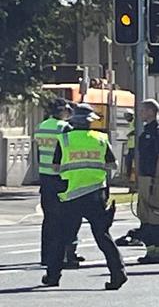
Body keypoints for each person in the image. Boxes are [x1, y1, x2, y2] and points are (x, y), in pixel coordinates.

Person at [43, 104, 127, 290]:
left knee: (62, 238)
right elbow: (113, 165)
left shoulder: (64, 140)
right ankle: (118, 272)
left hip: (71, 195)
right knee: (102, 236)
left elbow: (55, 168)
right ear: (90, 122)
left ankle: (53, 276)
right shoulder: (100, 139)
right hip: (96, 194)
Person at [33, 98, 84, 268]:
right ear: (63, 111)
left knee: (49, 220)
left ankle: (46, 256)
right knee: (64, 219)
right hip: (60, 177)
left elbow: (38, 153)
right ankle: (62, 256)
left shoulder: (41, 127)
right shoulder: (64, 128)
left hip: (45, 177)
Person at [136, 99, 159, 264]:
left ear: (152, 111)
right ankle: (151, 251)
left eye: (143, 110)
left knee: (157, 214)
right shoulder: (144, 133)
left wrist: (156, 180)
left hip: (155, 178)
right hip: (145, 178)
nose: (141, 113)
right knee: (144, 215)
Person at [124, 110, 136, 183]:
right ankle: (129, 178)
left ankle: (132, 179)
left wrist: (130, 134)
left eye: (127, 116)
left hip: (135, 146)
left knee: (131, 163)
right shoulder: (130, 123)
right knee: (128, 162)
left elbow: (137, 130)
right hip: (131, 146)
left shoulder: (135, 122)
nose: (126, 118)